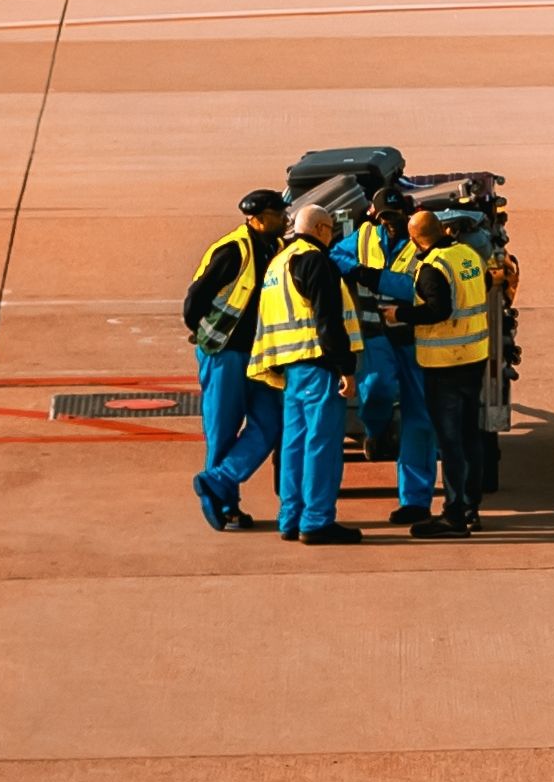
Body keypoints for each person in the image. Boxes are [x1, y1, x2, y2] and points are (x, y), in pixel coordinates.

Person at [248, 198, 366, 546]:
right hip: (318, 365)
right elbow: (327, 320)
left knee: (294, 444)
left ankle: (291, 516)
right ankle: (316, 519)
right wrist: (346, 368)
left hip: (291, 370)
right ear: (320, 230)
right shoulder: (316, 261)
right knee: (322, 444)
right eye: (329, 232)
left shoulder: (278, 264)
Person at [180, 186, 290, 532]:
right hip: (225, 353)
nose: (285, 219)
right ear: (257, 219)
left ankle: (218, 479)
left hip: (261, 353)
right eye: (278, 214)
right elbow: (195, 299)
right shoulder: (232, 250)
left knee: (271, 422)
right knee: (222, 430)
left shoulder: (279, 247)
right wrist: (201, 330)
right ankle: (225, 506)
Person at [406, 183, 502, 532]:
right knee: (470, 436)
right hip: (472, 357)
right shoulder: (466, 255)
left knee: (451, 442)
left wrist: (400, 316)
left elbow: (437, 311)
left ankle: (455, 514)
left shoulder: (432, 267)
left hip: (444, 364)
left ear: (417, 239)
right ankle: (471, 507)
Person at [342, 185, 436, 534]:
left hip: (414, 338)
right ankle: (376, 431)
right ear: (373, 215)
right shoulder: (364, 236)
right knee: (376, 388)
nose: (391, 224)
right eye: (385, 218)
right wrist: (355, 269)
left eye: (397, 217)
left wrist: (377, 278)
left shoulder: (422, 239)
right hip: (376, 335)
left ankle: (414, 500)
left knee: (420, 419)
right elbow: (335, 256)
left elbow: (428, 283)